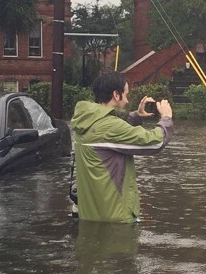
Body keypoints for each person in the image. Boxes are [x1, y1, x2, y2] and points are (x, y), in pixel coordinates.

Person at [70, 71, 174, 222]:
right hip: (115, 218)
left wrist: (136, 115)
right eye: (125, 95)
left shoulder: (86, 120)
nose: (126, 100)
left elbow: (112, 132)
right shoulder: (110, 127)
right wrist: (166, 118)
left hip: (91, 214)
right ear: (116, 95)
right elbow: (155, 142)